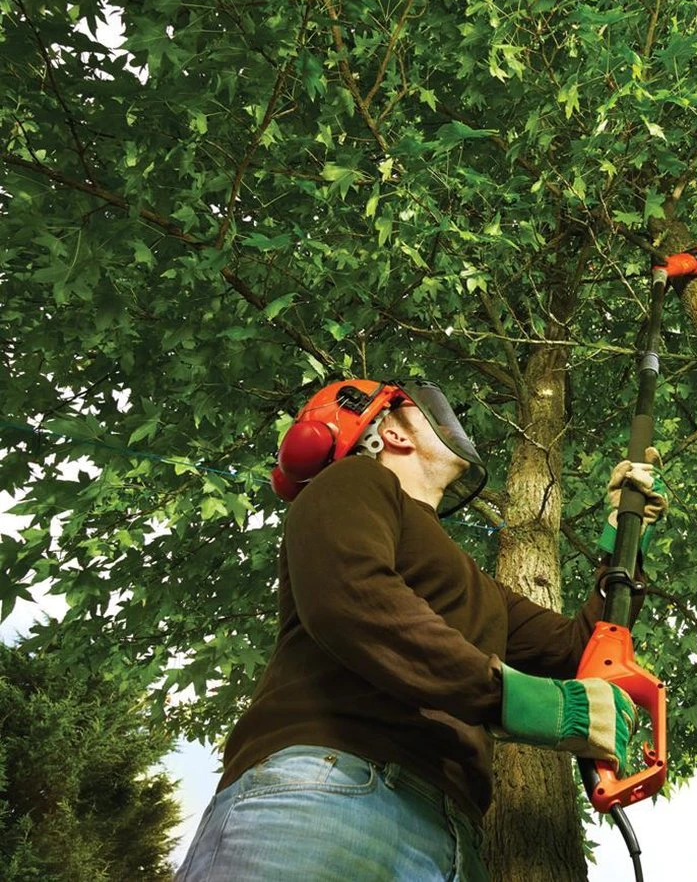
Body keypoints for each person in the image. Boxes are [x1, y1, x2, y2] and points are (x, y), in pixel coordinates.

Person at [174, 378, 666, 882]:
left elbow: (581, 650)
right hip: (326, 790)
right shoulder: (351, 483)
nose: (449, 421)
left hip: (452, 831)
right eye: (424, 409)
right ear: (391, 433)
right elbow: (354, 600)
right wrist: (512, 699)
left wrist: (624, 534)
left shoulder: (477, 587)